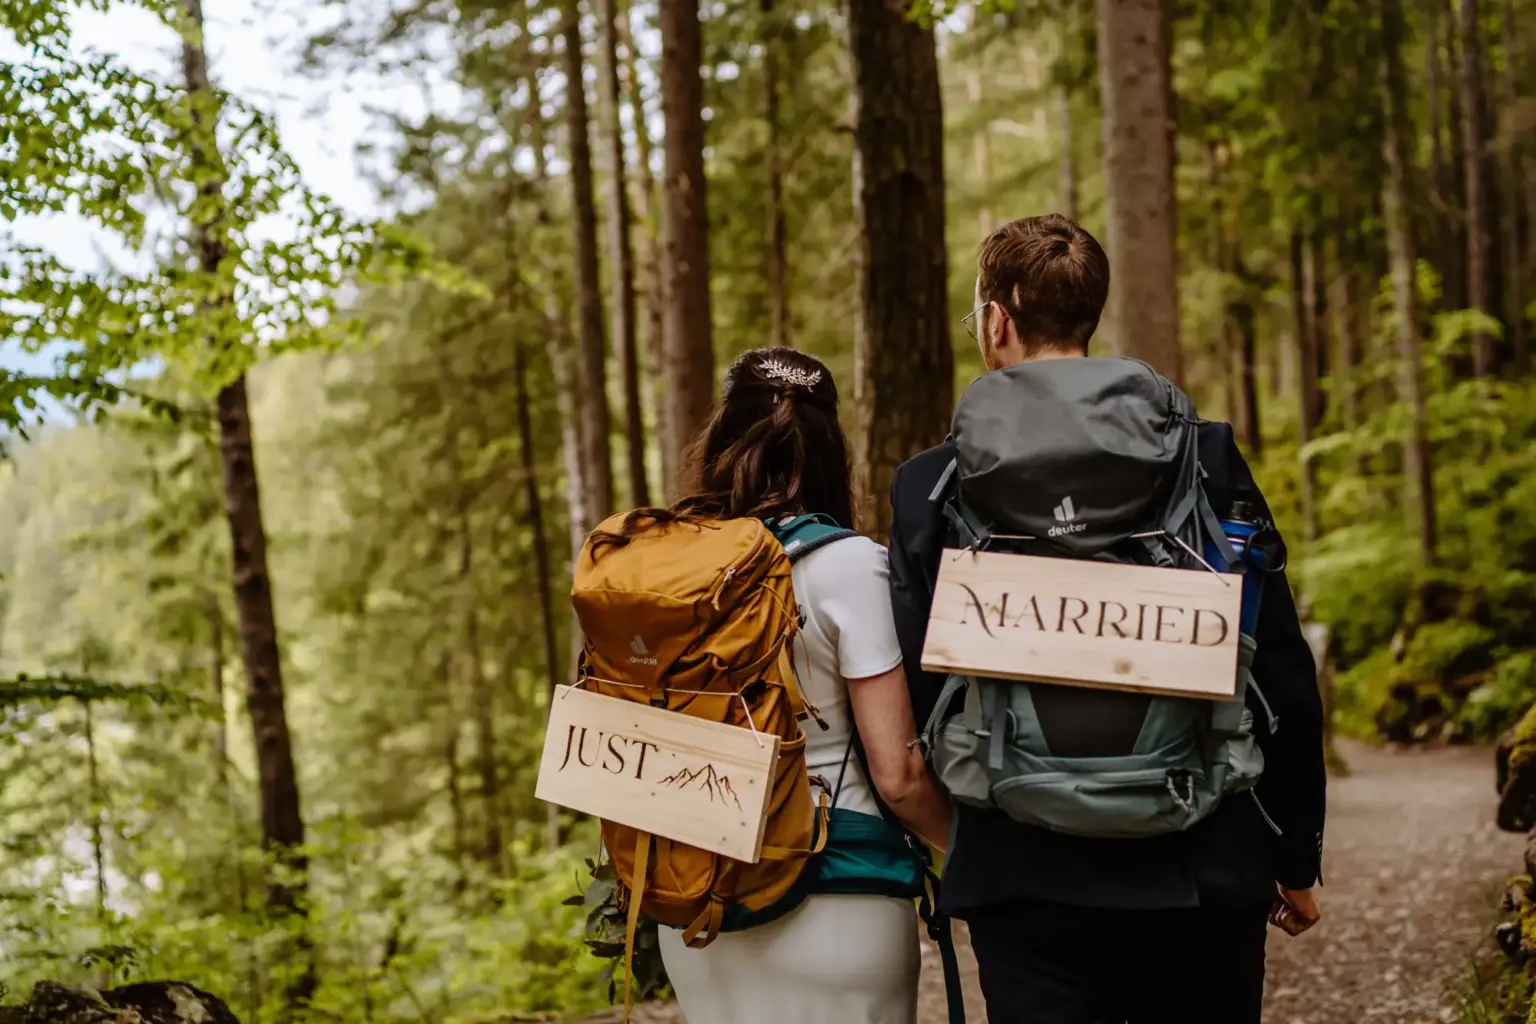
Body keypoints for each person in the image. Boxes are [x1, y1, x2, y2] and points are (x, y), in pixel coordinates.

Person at [887, 215, 1327, 1023]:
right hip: (1200, 863)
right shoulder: (1203, 456)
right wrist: (1295, 852)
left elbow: (920, 688)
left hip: (1020, 871)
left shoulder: (931, 486)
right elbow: (1277, 664)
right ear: (1089, 314)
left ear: (997, 321)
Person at [657, 347, 953, 1024]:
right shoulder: (849, 566)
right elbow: (899, 776)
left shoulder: (670, 573)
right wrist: (971, 851)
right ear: (828, 454)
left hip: (699, 905)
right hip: (838, 893)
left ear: (720, 441)